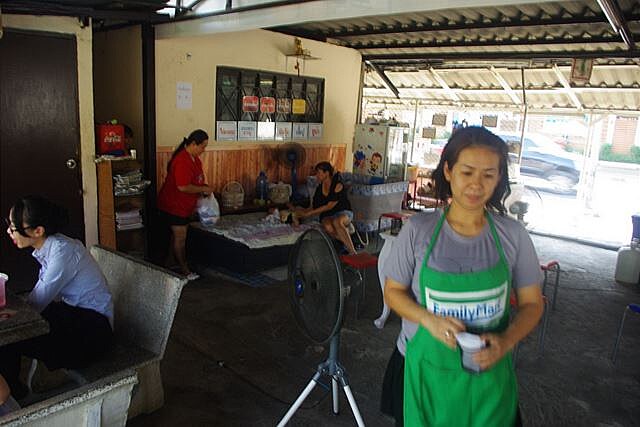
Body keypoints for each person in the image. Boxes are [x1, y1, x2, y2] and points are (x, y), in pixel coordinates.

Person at [380, 126, 544, 427]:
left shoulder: (513, 236)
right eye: (467, 172)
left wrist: (507, 340)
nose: (476, 185)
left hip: (489, 376)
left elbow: (533, 303)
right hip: (424, 372)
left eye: (488, 175)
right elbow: (393, 292)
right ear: (448, 171)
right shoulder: (417, 231)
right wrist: (428, 319)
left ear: (499, 178)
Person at [1, 196, 114, 400]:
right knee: (13, 328)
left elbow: (36, 302)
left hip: (95, 330)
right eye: (9, 224)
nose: (9, 231)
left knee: (13, 335)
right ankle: (16, 388)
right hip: (76, 314)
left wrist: (10, 314)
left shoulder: (62, 252)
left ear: (38, 231)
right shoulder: (52, 246)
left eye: (14, 227)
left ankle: (14, 395)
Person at [157, 129, 214, 280]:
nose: (204, 150)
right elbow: (182, 186)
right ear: (193, 144)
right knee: (180, 238)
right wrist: (202, 189)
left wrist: (204, 188)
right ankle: (185, 270)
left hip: (184, 205)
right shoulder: (182, 160)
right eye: (203, 146)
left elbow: (196, 181)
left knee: (177, 237)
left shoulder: (194, 159)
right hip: (174, 205)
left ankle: (169, 264)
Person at [294, 162, 358, 255]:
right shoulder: (319, 189)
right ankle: (348, 241)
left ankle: (353, 252)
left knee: (337, 222)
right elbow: (314, 207)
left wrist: (308, 213)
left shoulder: (337, 185)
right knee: (328, 227)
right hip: (327, 214)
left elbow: (329, 206)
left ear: (327, 173)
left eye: (319, 173)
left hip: (343, 211)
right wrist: (300, 211)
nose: (316, 176)